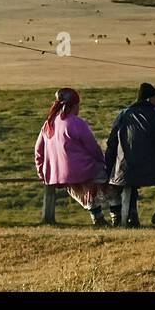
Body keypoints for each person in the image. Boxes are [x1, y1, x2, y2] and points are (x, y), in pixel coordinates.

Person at [34, 88, 121, 227]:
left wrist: (42, 172)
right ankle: (117, 217)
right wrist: (102, 162)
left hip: (58, 176)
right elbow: (93, 147)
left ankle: (97, 217)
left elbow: (38, 151)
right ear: (74, 105)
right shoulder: (76, 123)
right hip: (83, 170)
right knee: (111, 186)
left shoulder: (48, 125)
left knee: (85, 190)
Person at [106, 82, 155, 227]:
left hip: (124, 171)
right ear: (149, 99)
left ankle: (132, 214)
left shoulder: (122, 115)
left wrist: (109, 168)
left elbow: (111, 144)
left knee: (131, 180)